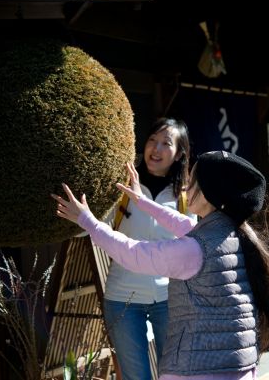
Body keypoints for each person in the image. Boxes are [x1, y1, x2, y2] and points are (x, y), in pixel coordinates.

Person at [52, 151, 269, 380]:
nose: (185, 186)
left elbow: (132, 254)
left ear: (209, 193)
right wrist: (142, 201)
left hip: (198, 369)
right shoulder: (232, 234)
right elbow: (182, 224)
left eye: (192, 181)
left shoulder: (194, 249)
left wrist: (87, 220)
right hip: (237, 367)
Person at [102, 117, 192, 380]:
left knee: (175, 374)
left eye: (166, 143)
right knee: (135, 377)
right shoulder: (122, 188)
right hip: (123, 298)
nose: (156, 148)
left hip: (170, 299)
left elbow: (194, 244)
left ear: (179, 154)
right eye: (152, 140)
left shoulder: (186, 195)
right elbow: (96, 228)